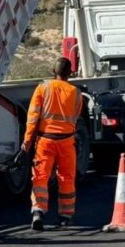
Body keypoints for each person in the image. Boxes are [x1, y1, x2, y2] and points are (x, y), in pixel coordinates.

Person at [23, 58, 82, 231]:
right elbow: (76, 117)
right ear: (69, 73)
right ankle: (66, 215)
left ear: (52, 71)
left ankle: (38, 212)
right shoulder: (76, 92)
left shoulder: (43, 88)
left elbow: (32, 117)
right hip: (66, 141)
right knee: (66, 177)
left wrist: (27, 141)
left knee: (41, 177)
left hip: (45, 141)